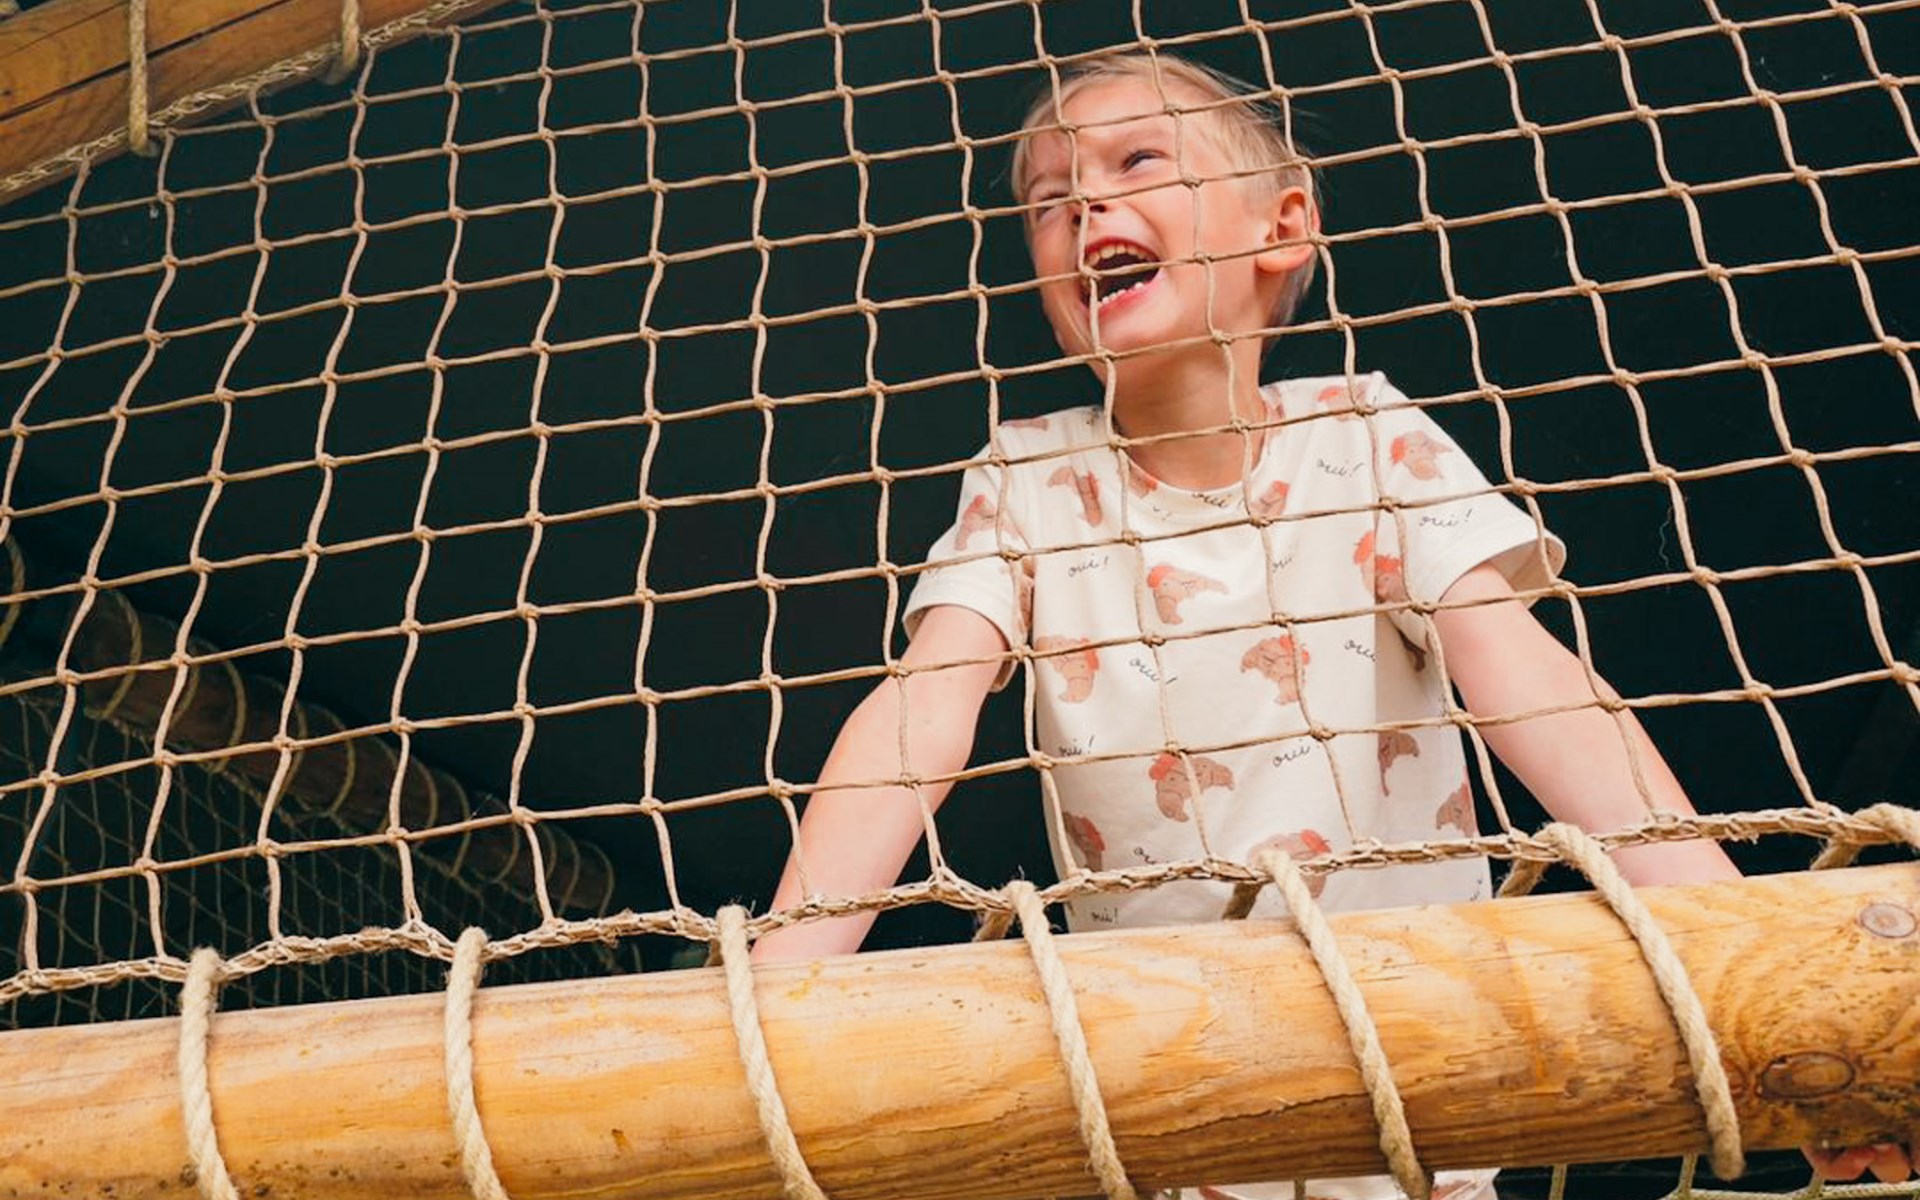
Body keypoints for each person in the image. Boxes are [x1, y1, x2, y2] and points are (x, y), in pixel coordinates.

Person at [750, 52, 1910, 1196]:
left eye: (1135, 161)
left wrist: (1756, 969)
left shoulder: (1366, 436)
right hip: (1168, 1092)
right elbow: (921, 709)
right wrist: (774, 987)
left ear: (1282, 229)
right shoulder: (1028, 479)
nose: (1083, 204)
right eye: (1048, 202)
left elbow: (1533, 685)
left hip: (1416, 1058)